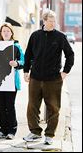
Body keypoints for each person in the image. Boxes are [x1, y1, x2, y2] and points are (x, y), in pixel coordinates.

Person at [23, 10, 74, 145]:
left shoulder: (60, 37)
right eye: (50, 21)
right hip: (35, 77)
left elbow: (70, 54)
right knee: (32, 106)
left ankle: (49, 135)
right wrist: (26, 71)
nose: (52, 23)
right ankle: (35, 132)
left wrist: (65, 72)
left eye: (54, 21)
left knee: (53, 108)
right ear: (44, 21)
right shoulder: (35, 36)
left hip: (53, 79)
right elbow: (28, 54)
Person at [0, 22, 25, 140]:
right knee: (1, 106)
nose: (6, 33)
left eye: (8, 31)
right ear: (0, 33)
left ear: (12, 33)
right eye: (3, 31)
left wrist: (17, 63)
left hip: (11, 81)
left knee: (10, 106)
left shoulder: (16, 46)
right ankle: (2, 130)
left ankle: (12, 131)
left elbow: (24, 61)